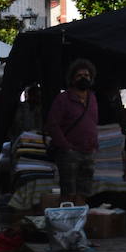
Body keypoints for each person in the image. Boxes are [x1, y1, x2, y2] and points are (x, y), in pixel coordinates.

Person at [45, 58, 100, 204]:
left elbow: (93, 123)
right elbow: (53, 124)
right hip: (69, 153)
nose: (84, 78)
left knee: (84, 191)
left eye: (87, 75)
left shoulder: (92, 98)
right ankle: (65, 223)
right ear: (72, 79)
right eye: (79, 75)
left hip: (88, 151)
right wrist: (65, 145)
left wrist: (94, 143)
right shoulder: (63, 99)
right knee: (68, 191)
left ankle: (79, 223)